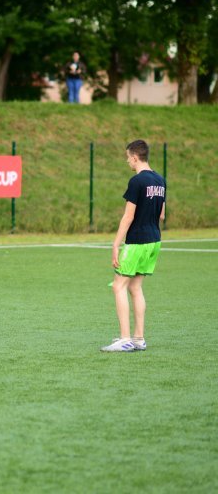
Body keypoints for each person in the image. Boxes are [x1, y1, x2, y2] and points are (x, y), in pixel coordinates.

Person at [101, 140, 166, 352]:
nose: (127, 160)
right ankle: (139, 338)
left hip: (137, 241)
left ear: (135, 157)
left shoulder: (137, 181)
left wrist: (115, 245)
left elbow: (128, 216)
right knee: (135, 287)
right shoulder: (160, 180)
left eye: (128, 157)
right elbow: (162, 215)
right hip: (154, 240)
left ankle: (125, 339)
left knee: (119, 286)